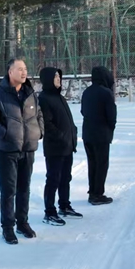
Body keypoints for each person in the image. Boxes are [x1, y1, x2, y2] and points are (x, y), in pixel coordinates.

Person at [0, 58, 44, 245]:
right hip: (7, 150)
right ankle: (8, 227)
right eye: (19, 69)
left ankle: (22, 223)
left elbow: (38, 114)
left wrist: (39, 132)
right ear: (10, 72)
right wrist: (6, 133)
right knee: (9, 190)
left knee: (24, 188)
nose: (24, 72)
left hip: (28, 149)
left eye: (25, 69)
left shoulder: (30, 93)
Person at [38, 67, 82, 224]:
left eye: (59, 76)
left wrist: (72, 132)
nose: (58, 79)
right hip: (54, 147)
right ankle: (49, 212)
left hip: (67, 145)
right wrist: (61, 136)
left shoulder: (59, 97)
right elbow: (47, 123)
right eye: (55, 76)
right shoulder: (44, 98)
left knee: (65, 178)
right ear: (48, 79)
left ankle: (64, 205)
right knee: (53, 179)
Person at [81, 66, 117, 206]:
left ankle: (92, 191)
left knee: (92, 163)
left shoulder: (87, 92)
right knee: (102, 164)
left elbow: (83, 111)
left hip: (87, 132)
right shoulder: (106, 93)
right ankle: (98, 194)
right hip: (101, 133)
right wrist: (110, 128)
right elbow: (111, 115)